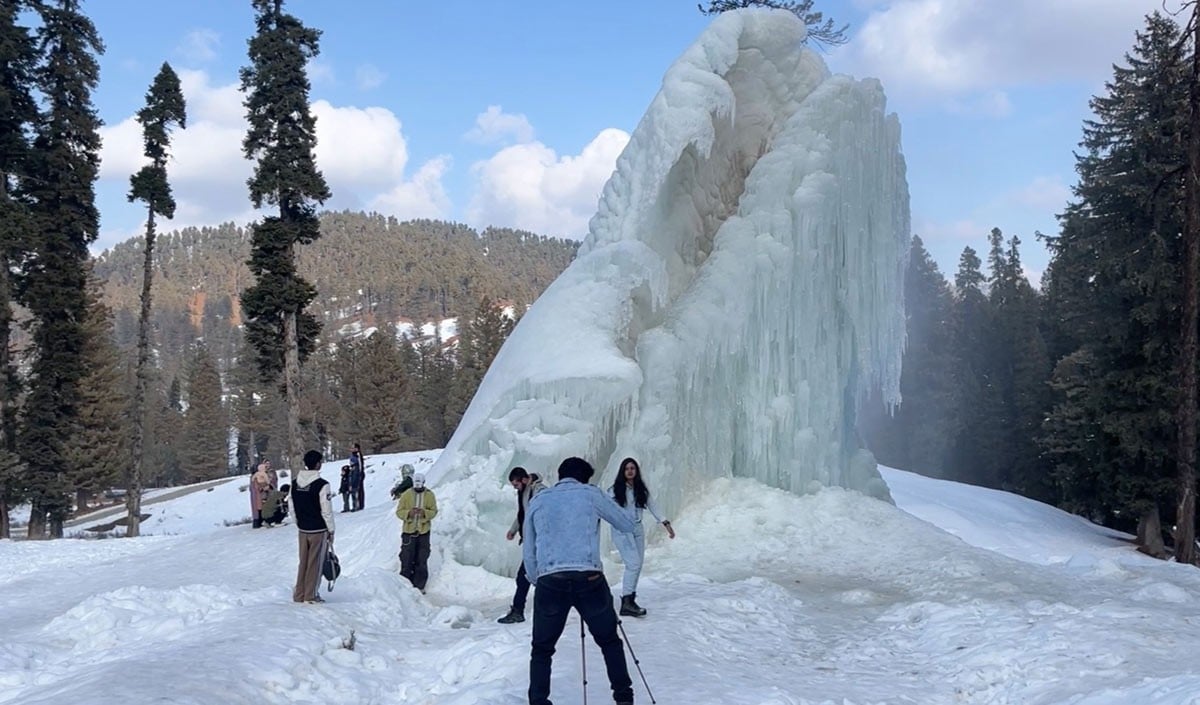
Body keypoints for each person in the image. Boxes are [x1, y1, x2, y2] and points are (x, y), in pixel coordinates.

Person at [524, 457, 637, 705]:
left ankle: (538, 701)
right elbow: (627, 524)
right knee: (609, 641)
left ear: (560, 475)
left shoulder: (539, 499)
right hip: (589, 578)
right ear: (584, 478)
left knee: (542, 649)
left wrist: (536, 578)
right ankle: (624, 698)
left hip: (550, 579)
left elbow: (529, 548)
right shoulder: (590, 494)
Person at [609, 457, 675, 618]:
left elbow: (652, 505)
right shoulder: (614, 490)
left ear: (636, 471)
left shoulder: (640, 489)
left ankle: (630, 598)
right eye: (627, 469)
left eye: (632, 468)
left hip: (637, 528)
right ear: (622, 471)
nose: (630, 471)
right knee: (633, 563)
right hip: (622, 529)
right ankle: (626, 602)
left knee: (637, 564)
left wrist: (665, 522)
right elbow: (606, 507)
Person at [498, 466, 546, 624]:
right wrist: (514, 530)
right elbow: (523, 514)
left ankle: (519, 611)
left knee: (524, 577)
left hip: (538, 542)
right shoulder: (524, 491)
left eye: (516, 485)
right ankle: (521, 610)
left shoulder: (539, 492)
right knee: (527, 577)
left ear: (524, 480)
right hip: (531, 541)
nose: (515, 488)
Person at [291, 450, 335, 604]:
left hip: (302, 528)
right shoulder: (322, 485)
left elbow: (291, 506)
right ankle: (311, 595)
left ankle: (299, 594)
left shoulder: (294, 483)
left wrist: (298, 522)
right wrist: (331, 529)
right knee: (315, 563)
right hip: (318, 529)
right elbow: (326, 510)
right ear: (318, 464)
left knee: (303, 561)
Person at [395, 472, 437, 592]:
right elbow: (399, 512)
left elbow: (434, 511)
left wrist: (425, 513)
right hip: (409, 532)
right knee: (406, 558)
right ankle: (405, 585)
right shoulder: (406, 495)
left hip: (423, 532)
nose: (417, 487)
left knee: (421, 559)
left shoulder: (430, 495)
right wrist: (409, 513)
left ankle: (419, 586)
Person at [349, 443, 366, 511]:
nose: (352, 449)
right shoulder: (353, 455)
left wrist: (360, 474)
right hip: (354, 472)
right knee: (354, 488)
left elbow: (360, 465)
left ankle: (359, 505)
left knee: (358, 489)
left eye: (353, 448)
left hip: (358, 473)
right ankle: (355, 505)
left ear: (357, 449)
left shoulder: (358, 455)